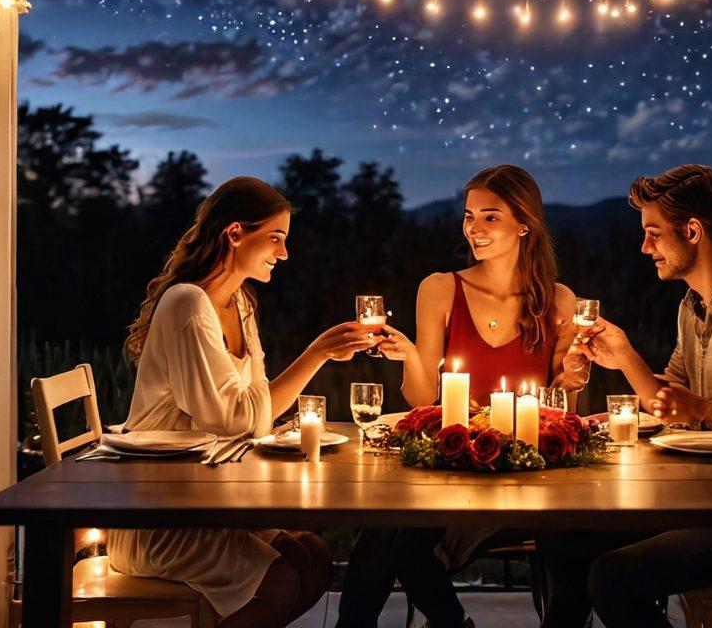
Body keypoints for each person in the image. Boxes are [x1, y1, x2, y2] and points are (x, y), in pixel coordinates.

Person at [541, 164, 712, 628]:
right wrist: (624, 358)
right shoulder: (693, 307)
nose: (644, 247)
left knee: (614, 577)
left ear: (692, 231)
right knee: (563, 537)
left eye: (653, 234)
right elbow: (668, 401)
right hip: (707, 499)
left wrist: (701, 408)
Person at [108, 176, 376, 628]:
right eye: (275, 238)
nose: (284, 253)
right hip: (159, 513)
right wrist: (316, 354)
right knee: (281, 582)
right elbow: (233, 420)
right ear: (235, 233)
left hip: (205, 499)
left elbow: (256, 409)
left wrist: (318, 359)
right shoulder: (187, 303)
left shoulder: (239, 302)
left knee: (312, 557)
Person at [336, 164, 586, 628]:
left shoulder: (558, 300)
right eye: (469, 216)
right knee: (389, 535)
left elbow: (560, 406)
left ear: (525, 223)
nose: (474, 228)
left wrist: (572, 379)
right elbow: (422, 401)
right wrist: (411, 357)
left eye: (490, 217)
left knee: (571, 544)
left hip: (528, 473)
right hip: (452, 465)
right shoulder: (440, 289)